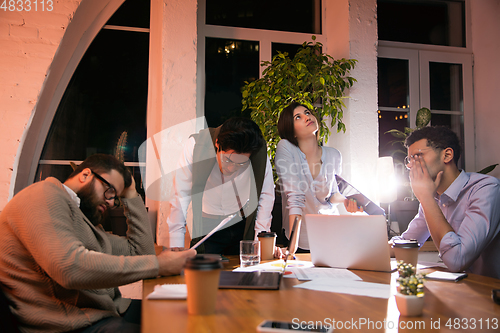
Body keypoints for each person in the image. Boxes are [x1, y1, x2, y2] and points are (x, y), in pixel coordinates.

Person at [0, 154, 196, 333]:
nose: (111, 202)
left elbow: (140, 252)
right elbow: (69, 267)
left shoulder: (82, 220)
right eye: (109, 191)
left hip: (105, 311)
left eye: (115, 197)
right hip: (69, 324)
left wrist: (131, 194)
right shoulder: (43, 194)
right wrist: (159, 265)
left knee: (187, 313)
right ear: (85, 175)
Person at [391, 126, 500, 279]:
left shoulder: (486, 189)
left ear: (447, 155)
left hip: (489, 292)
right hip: (463, 290)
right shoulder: (433, 197)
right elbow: (406, 242)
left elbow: (457, 260)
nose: (410, 166)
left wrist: (426, 198)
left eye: (418, 156)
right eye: (409, 160)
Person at [164, 117, 275, 255]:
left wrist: (260, 242)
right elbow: (181, 196)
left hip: (241, 223)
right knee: (203, 273)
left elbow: (266, 195)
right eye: (228, 160)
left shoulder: (258, 154)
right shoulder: (196, 146)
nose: (231, 168)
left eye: (241, 164)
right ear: (217, 144)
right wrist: (176, 248)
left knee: (244, 272)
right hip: (208, 227)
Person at [275, 102, 358, 253]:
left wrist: (346, 200)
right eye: (298, 117)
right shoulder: (286, 148)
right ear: (291, 130)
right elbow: (295, 197)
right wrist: (292, 247)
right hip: (300, 238)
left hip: (332, 234)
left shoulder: (334, 154)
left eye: (307, 112)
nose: (307, 117)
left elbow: (332, 195)